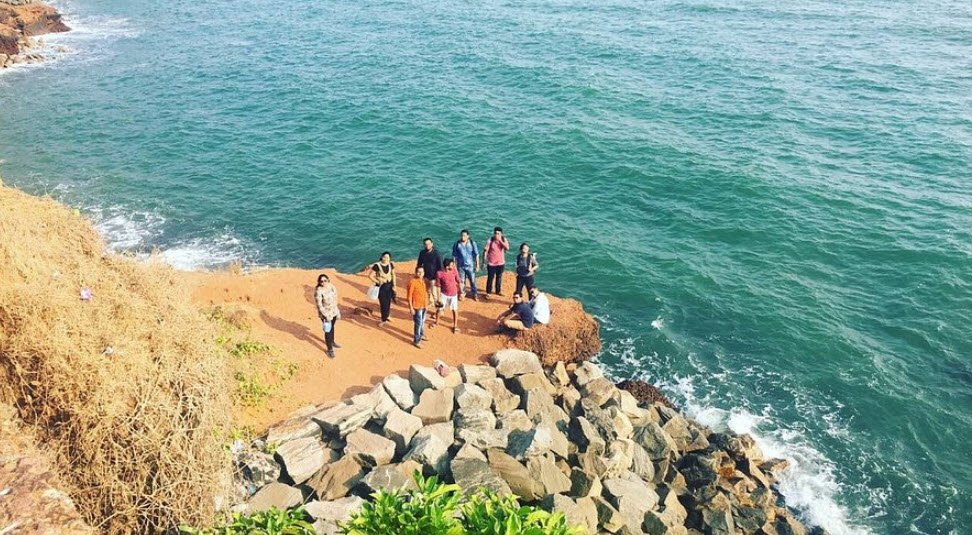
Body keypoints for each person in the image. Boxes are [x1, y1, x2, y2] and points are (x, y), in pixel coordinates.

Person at [416, 238, 443, 326]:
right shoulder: (422, 253)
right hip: (425, 276)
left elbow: (440, 267)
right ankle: (431, 303)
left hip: (433, 278)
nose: (427, 245)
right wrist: (418, 274)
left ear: (432, 244)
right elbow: (419, 264)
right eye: (425, 244)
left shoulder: (437, 253)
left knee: (435, 295)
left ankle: (439, 311)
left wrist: (438, 278)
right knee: (427, 292)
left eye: (428, 244)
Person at [314, 273, 341, 358]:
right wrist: (326, 316)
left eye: (325, 280)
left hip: (333, 311)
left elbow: (335, 299)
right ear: (319, 282)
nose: (323, 282)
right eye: (321, 281)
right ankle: (330, 349)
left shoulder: (332, 287)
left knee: (332, 327)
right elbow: (319, 305)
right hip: (325, 313)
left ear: (328, 280)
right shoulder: (318, 291)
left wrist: (337, 311)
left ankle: (332, 342)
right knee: (328, 330)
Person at [369, 251, 397, 327]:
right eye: (384, 257)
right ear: (382, 257)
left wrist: (394, 286)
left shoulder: (391, 264)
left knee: (388, 302)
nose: (386, 259)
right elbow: (370, 276)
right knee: (383, 303)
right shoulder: (377, 266)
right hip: (382, 287)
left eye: (387, 257)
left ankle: (387, 316)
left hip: (389, 286)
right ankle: (383, 319)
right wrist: (378, 281)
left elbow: (393, 275)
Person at [452, 229, 480, 301]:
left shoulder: (472, 243)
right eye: (461, 235)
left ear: (468, 236)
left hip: (470, 266)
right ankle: (463, 293)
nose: (462, 237)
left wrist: (477, 265)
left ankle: (475, 293)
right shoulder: (457, 244)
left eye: (464, 235)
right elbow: (454, 256)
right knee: (461, 281)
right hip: (461, 266)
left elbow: (476, 255)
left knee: (473, 280)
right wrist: (454, 266)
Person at [436, 258, 463, 333]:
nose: (453, 266)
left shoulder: (454, 270)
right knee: (439, 309)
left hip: (454, 294)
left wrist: (461, 292)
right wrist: (438, 298)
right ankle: (437, 322)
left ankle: (455, 326)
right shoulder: (439, 273)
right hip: (443, 294)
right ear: (447, 266)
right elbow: (438, 286)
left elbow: (459, 280)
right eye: (452, 264)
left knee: (454, 310)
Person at [483, 226, 510, 296]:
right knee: (490, 278)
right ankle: (488, 292)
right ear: (493, 233)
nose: (496, 235)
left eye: (498, 233)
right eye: (495, 233)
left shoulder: (504, 239)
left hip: (501, 263)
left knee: (499, 277)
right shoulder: (490, 240)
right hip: (491, 264)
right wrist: (484, 260)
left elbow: (507, 248)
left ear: (501, 234)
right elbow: (485, 251)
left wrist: (500, 240)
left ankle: (498, 291)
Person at [407, 266, 429, 348]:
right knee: (418, 323)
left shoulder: (422, 281)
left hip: (423, 305)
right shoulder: (412, 282)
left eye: (422, 272)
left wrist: (426, 305)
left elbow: (424, 294)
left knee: (422, 322)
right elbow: (409, 296)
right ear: (416, 273)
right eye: (419, 272)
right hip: (416, 306)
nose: (420, 273)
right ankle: (416, 340)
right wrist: (411, 308)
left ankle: (421, 334)